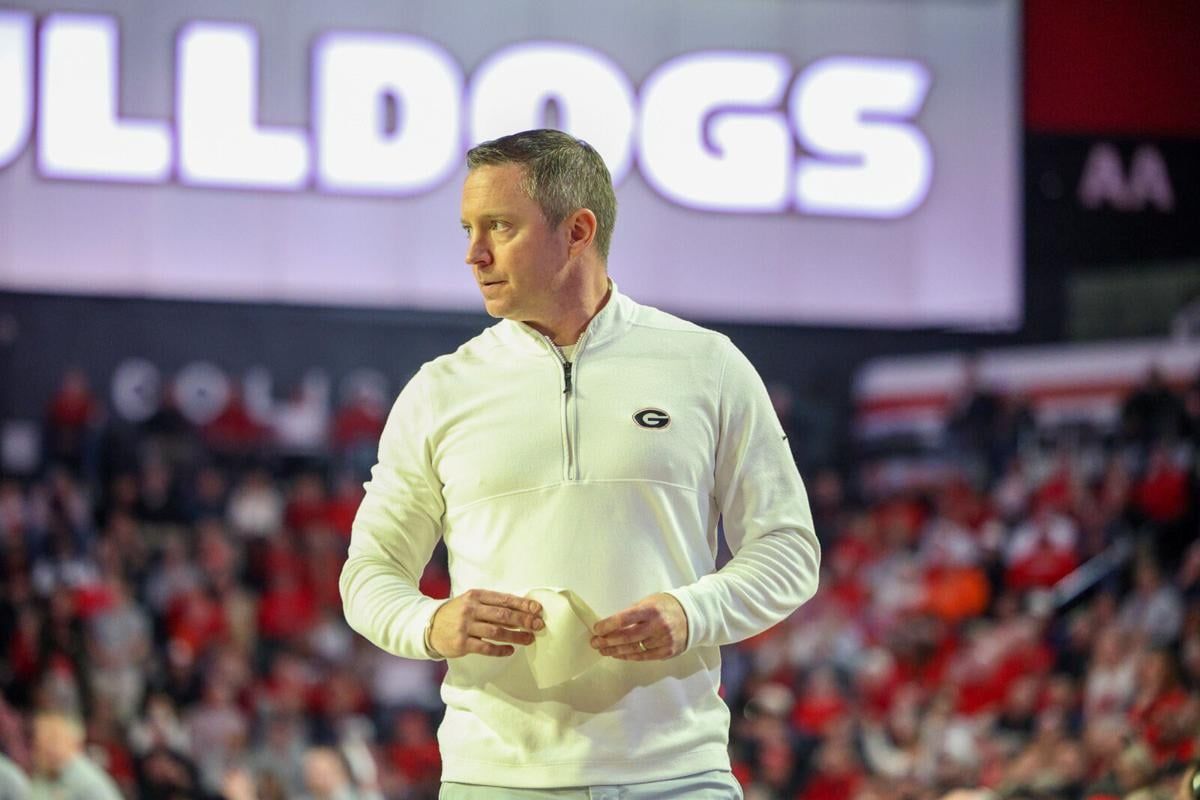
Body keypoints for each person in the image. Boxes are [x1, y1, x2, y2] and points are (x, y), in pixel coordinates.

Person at [340, 129, 820, 797]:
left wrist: (692, 613)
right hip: (494, 781)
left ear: (577, 231)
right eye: (467, 229)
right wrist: (431, 622)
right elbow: (368, 574)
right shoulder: (438, 391)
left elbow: (789, 550)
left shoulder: (707, 366)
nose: (473, 254)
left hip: (678, 776)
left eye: (499, 227)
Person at [27, 711, 122, 800]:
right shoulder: (43, 776)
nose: (44, 746)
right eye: (39, 739)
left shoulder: (85, 780)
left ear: (72, 740)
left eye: (52, 739)